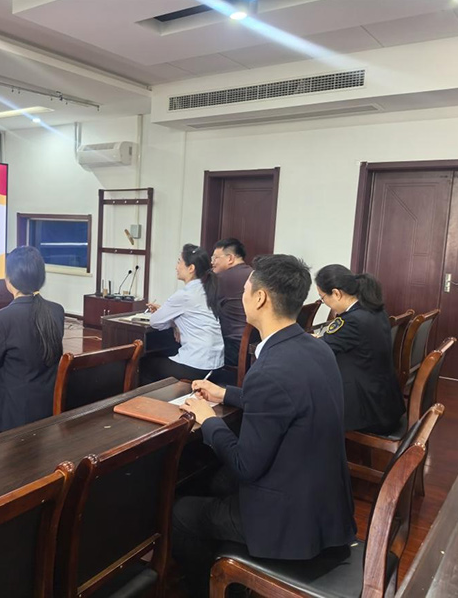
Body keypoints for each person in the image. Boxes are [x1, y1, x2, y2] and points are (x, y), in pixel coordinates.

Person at [174, 255, 356, 598]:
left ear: (260, 298)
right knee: (216, 481)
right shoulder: (315, 348)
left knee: (182, 513)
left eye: (245, 289)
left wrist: (208, 418)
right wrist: (226, 393)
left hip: (288, 522)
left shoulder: (270, 370)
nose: (242, 296)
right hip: (324, 505)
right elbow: (289, 399)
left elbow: (245, 465)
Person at [0, 246, 64, 434]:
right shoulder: (57, 311)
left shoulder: (2, 319)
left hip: (12, 417)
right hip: (48, 411)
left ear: (9, 279)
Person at [315, 264, 405, 434]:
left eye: (322, 297)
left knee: (308, 404)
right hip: (384, 405)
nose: (324, 303)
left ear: (336, 293)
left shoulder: (352, 321)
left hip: (369, 412)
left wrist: (313, 340)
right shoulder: (374, 310)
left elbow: (320, 352)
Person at [140, 244, 225, 385]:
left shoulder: (184, 295)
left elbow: (154, 322)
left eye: (179, 262)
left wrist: (172, 321)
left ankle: (150, 400)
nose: (176, 267)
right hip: (215, 365)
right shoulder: (206, 290)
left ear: (191, 268)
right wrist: (174, 322)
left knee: (144, 364)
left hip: (197, 366)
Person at [211, 238, 253, 366]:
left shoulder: (220, 279)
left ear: (230, 258)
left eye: (215, 258)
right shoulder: (254, 275)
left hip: (233, 348)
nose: (212, 262)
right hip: (254, 347)